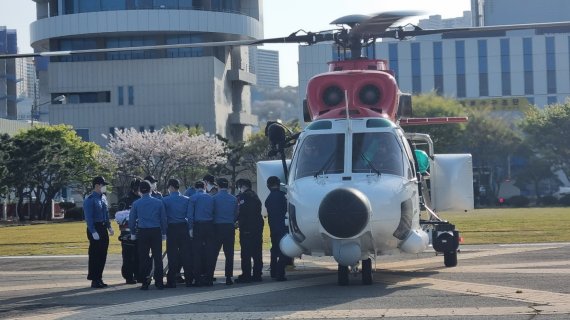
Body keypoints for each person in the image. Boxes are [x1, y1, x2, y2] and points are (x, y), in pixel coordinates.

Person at [129, 180, 167, 290]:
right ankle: (159, 282)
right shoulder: (158, 202)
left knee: (143, 258)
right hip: (155, 231)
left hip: (143, 231)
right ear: (151, 189)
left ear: (140, 190)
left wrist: (132, 232)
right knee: (158, 257)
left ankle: (145, 282)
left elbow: (132, 220)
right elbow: (163, 219)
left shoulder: (136, 203)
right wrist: (164, 232)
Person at [162, 178, 193, 288]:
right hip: (183, 227)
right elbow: (189, 216)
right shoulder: (187, 199)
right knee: (186, 255)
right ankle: (189, 280)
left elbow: (164, 217)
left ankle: (171, 281)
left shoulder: (165, 200)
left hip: (172, 228)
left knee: (172, 255)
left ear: (170, 187)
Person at [84, 176, 113, 289]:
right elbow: (89, 218)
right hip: (94, 228)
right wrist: (93, 231)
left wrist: (109, 227)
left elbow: (106, 214)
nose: (104, 187)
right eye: (103, 185)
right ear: (97, 185)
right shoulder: (90, 199)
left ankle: (99, 277)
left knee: (103, 254)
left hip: (102, 228)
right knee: (95, 255)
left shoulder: (103, 198)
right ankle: (94, 279)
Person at [187, 180, 215, 286]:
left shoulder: (192, 198)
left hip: (198, 226)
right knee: (209, 253)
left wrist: (190, 229)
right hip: (209, 225)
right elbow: (214, 212)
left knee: (197, 253)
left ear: (195, 187)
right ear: (205, 187)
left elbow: (190, 215)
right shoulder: (210, 198)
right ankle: (209, 278)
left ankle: (198, 278)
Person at [235, 179, 264, 283]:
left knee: (246, 253)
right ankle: (257, 275)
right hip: (257, 228)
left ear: (241, 186)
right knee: (257, 253)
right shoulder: (255, 196)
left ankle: (246, 275)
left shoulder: (242, 197)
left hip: (247, 228)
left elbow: (239, 212)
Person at [212, 178, 238, 285]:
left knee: (214, 253)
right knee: (229, 253)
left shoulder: (213, 199)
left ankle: (210, 275)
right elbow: (236, 213)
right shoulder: (233, 199)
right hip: (229, 227)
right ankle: (228, 277)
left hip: (217, 227)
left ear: (218, 186)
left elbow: (211, 213)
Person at [116, 177, 142, 284]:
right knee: (128, 255)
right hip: (127, 231)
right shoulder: (125, 200)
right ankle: (128, 276)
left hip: (140, 231)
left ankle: (138, 274)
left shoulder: (142, 198)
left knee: (138, 254)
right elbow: (119, 217)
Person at [265, 176, 288, 281]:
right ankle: (280, 273)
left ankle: (273, 271)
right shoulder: (284, 196)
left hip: (273, 227)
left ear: (268, 185)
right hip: (283, 226)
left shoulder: (268, 199)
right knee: (284, 250)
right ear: (279, 184)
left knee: (274, 249)